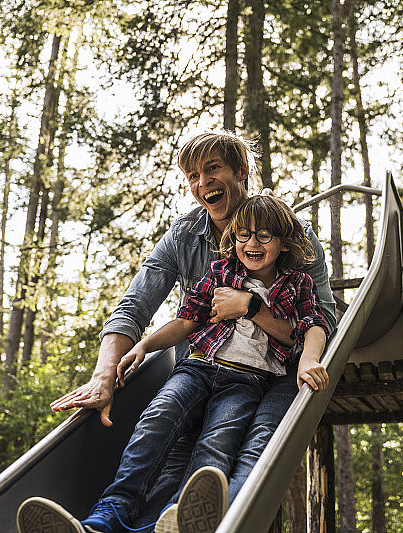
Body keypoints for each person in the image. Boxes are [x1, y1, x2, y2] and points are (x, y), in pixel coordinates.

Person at [17, 131, 337, 532]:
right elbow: (150, 307)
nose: (202, 183)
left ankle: (168, 527)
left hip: (259, 378)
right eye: (192, 175)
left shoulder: (293, 241)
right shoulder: (196, 245)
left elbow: (319, 319)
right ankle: (104, 521)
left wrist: (254, 310)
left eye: (213, 169)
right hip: (198, 366)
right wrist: (110, 371)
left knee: (213, 451)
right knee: (158, 428)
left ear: (242, 172)